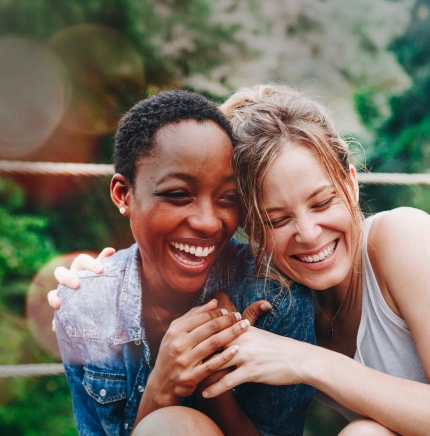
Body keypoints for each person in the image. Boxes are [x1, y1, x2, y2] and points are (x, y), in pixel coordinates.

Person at [52, 89, 316, 436]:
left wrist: (215, 380)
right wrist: (161, 387)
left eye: (228, 198)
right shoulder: (84, 307)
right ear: (123, 195)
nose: (208, 222)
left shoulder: (274, 298)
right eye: (178, 195)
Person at [198, 83, 430, 436]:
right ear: (251, 230)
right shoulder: (279, 300)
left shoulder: (403, 237)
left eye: (321, 203)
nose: (308, 233)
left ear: (350, 183)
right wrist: (88, 271)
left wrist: (306, 361)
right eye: (276, 220)